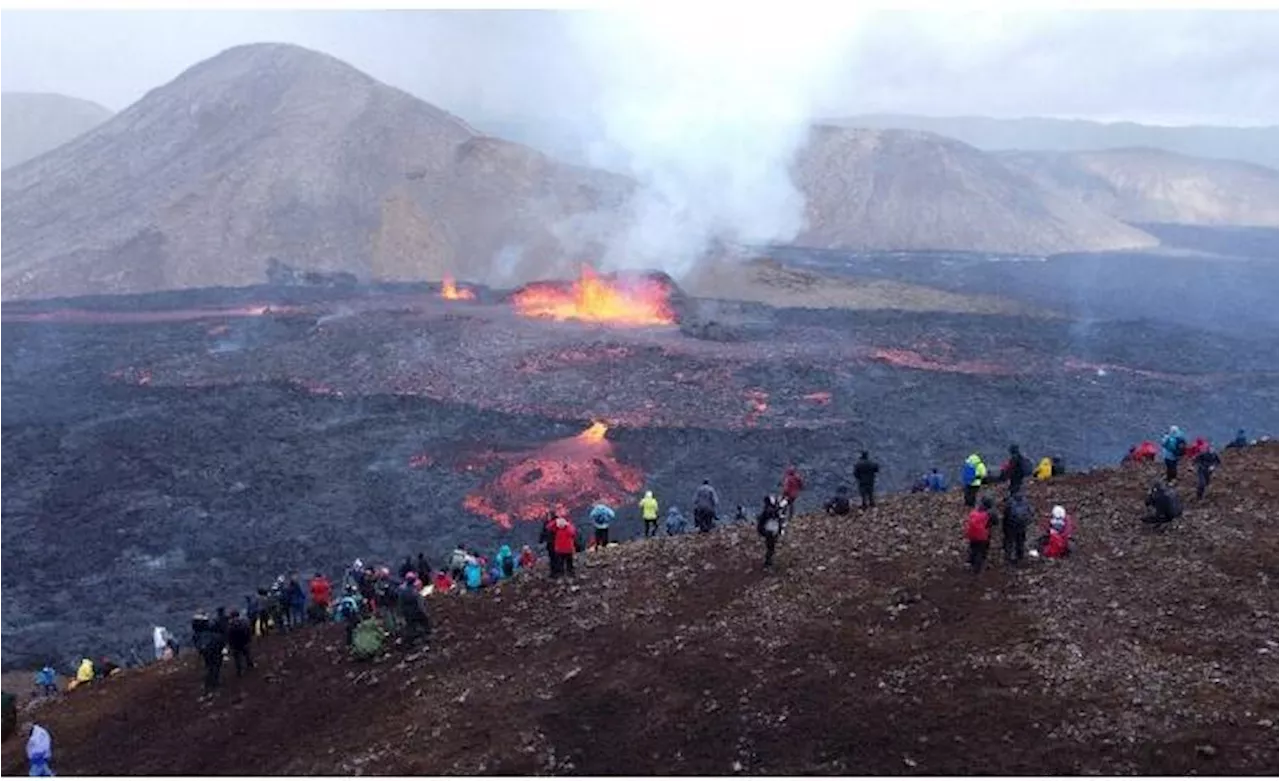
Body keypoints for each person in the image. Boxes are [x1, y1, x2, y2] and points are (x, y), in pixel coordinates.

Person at [192, 613, 225, 695]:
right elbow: (220, 642)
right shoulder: (213, 634)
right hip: (214, 652)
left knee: (209, 666)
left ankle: (209, 684)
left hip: (206, 653)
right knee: (215, 668)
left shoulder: (197, 634)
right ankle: (213, 684)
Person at [1001, 491, 1033, 566]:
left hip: (1011, 526)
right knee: (1020, 541)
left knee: (1009, 541)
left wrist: (1004, 527)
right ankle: (1020, 557)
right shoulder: (1025, 502)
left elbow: (1006, 516)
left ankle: (1008, 557)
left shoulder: (1010, 503)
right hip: (1022, 526)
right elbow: (1030, 513)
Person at [398, 575, 431, 644]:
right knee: (423, 623)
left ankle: (412, 639)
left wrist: (402, 612)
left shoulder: (402, 591)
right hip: (416, 611)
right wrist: (424, 612)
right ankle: (425, 637)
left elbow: (400, 603)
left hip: (407, 612)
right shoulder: (414, 591)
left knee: (411, 626)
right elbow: (420, 603)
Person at [965, 496, 994, 573]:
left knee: (973, 548)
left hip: (972, 535)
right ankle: (976, 569)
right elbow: (995, 522)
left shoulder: (974, 512)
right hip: (983, 536)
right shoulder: (989, 514)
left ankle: (969, 562)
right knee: (980, 551)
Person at [756, 495, 783, 568]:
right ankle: (768, 562)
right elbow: (778, 520)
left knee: (771, 547)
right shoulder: (770, 512)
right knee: (771, 547)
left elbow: (761, 523)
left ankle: (768, 561)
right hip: (770, 531)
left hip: (770, 530)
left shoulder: (767, 512)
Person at [226, 610, 254, 678]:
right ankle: (246, 667)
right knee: (244, 656)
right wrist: (249, 640)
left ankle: (241, 670)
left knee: (240, 658)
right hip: (242, 643)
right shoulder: (243, 622)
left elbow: (229, 637)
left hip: (237, 644)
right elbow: (248, 631)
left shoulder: (230, 626)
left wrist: (230, 645)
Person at [550, 513, 578, 578]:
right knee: (568, 563)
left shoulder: (558, 530)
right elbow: (573, 532)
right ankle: (569, 573)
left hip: (561, 550)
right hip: (567, 549)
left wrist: (555, 521)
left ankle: (565, 574)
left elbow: (549, 527)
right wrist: (567, 523)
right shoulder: (567, 528)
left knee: (563, 563)